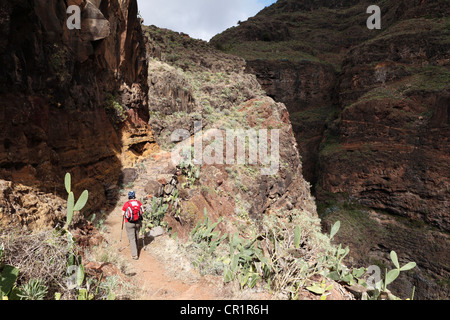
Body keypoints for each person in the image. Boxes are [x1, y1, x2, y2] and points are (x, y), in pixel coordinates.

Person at [122, 191, 143, 260]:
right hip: (138, 222)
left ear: (129, 197)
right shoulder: (138, 203)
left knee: (132, 238)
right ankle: (137, 248)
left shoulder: (126, 204)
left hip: (129, 223)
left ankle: (134, 255)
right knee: (137, 236)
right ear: (134, 196)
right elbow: (142, 211)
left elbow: (122, 214)